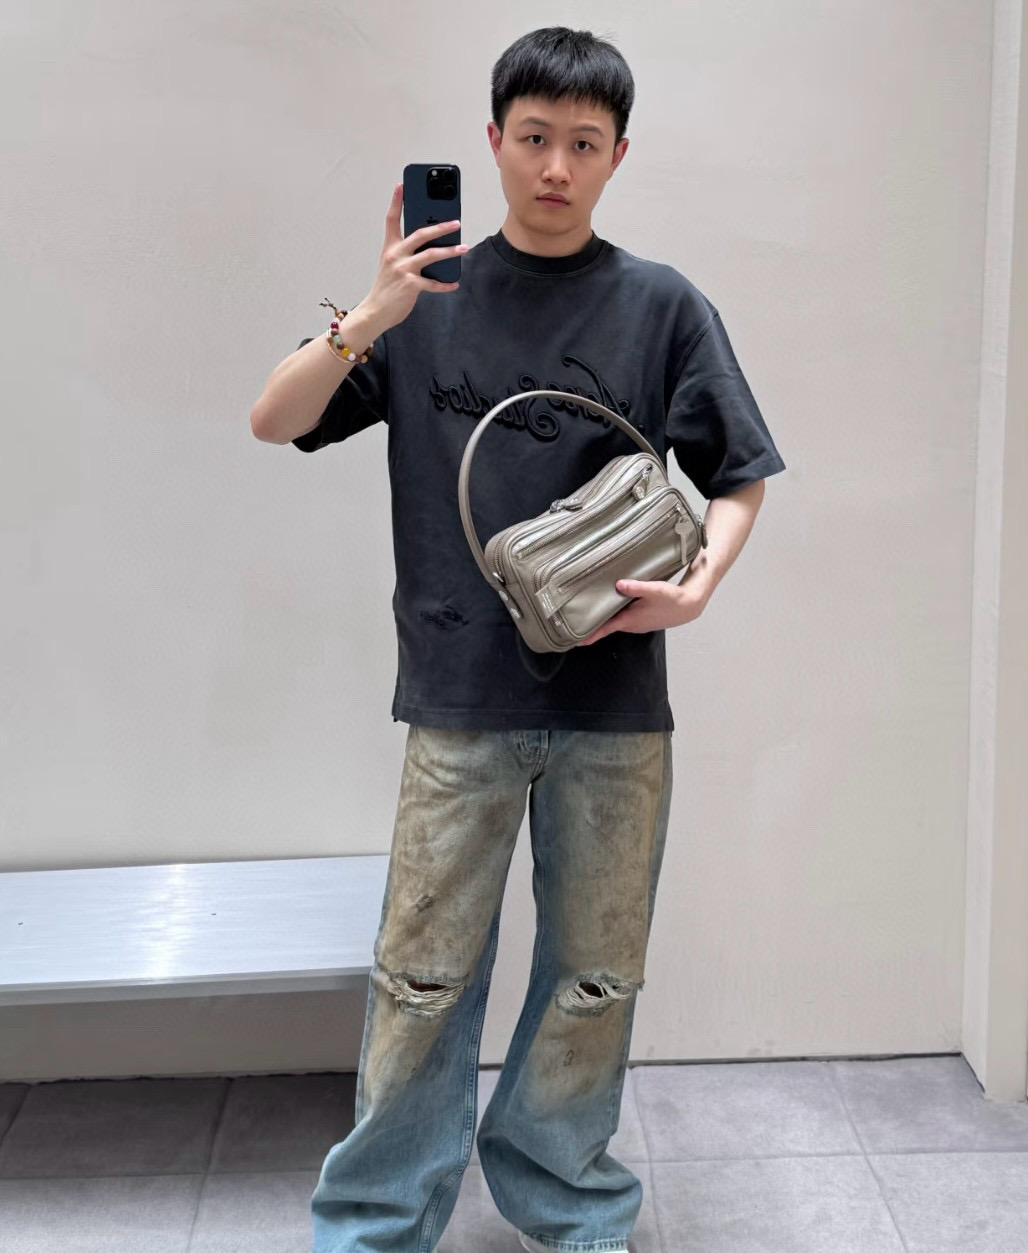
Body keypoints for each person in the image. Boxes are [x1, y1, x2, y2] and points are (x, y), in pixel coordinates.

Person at [250, 25, 785, 1253]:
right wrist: (371, 311)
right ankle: (375, 1218)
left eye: (582, 144)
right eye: (533, 137)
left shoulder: (660, 306)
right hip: (456, 695)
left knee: (596, 974)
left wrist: (700, 582)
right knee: (420, 973)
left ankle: (568, 1198)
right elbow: (273, 419)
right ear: (492, 142)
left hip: (613, 704)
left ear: (617, 156)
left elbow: (740, 470)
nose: (554, 166)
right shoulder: (424, 302)